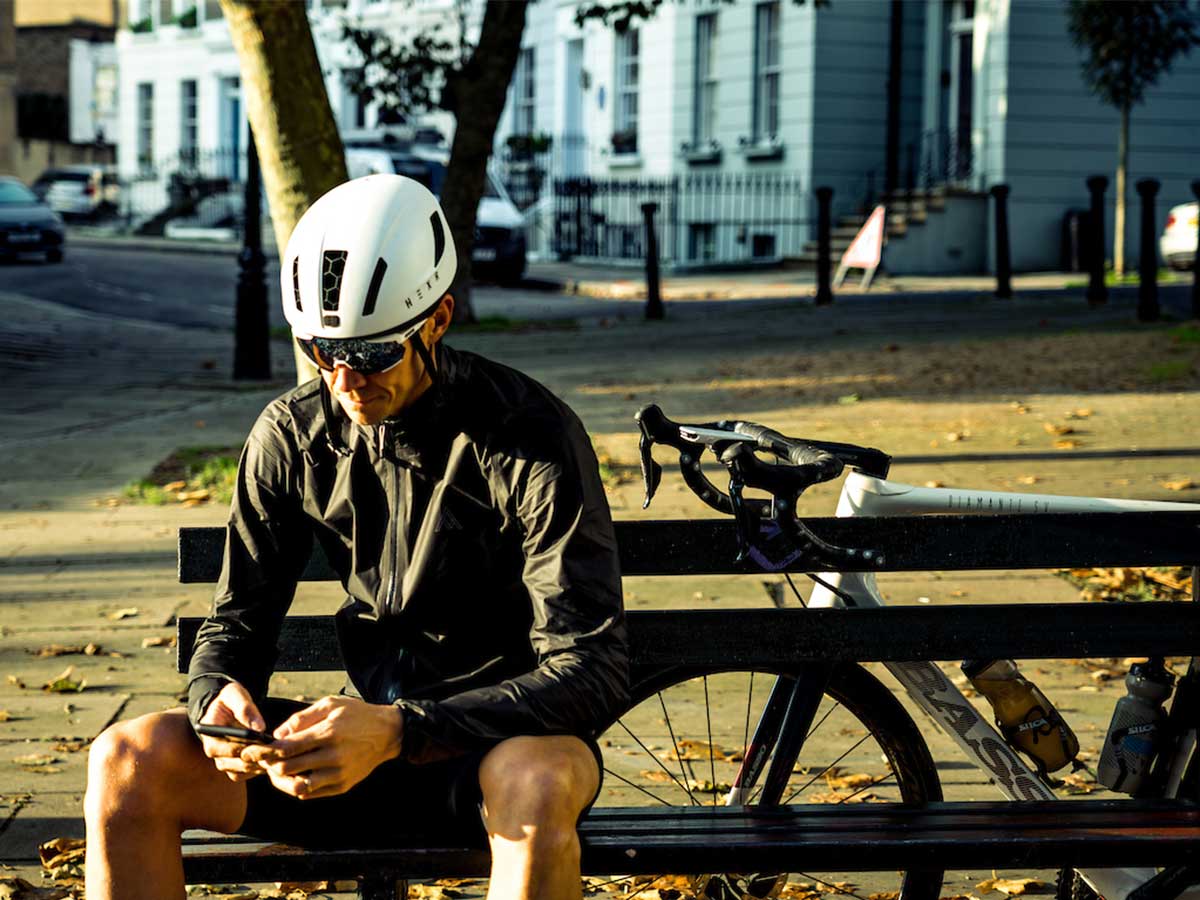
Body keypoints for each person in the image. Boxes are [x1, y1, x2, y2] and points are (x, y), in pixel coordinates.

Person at [84, 175, 629, 900]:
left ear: (438, 319)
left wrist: (403, 728)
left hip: (504, 746)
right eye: (320, 348)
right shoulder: (292, 432)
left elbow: (591, 668)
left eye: (373, 354)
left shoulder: (529, 435)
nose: (344, 378)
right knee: (127, 760)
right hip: (362, 752)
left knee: (533, 783)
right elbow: (237, 621)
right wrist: (216, 697)